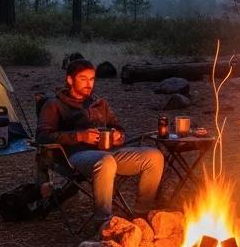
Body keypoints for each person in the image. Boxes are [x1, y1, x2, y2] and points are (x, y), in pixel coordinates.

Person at [36, 57, 165, 230]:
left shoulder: (99, 103)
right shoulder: (54, 104)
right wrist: (80, 136)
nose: (89, 84)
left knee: (154, 156)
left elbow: (117, 127)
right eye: (83, 79)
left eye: (92, 79)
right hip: (74, 156)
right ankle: (104, 223)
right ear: (69, 80)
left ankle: (141, 215)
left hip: (109, 153)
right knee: (106, 162)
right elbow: (42, 137)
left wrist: (118, 135)